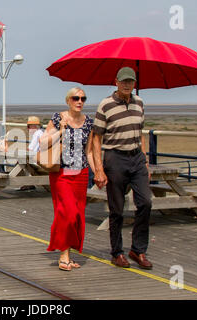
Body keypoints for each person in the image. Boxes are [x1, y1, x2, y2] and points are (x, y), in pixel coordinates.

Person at [91, 67, 153, 270]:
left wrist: (145, 160)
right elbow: (96, 137)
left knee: (145, 202)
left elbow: (140, 133)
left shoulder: (139, 103)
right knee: (117, 209)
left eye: (131, 81)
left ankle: (138, 249)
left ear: (135, 83)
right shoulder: (106, 105)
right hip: (115, 157)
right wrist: (99, 169)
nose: (127, 85)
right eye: (124, 81)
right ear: (116, 82)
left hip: (136, 157)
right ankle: (117, 252)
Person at [42, 87, 95, 271]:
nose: (79, 101)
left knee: (78, 216)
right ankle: (63, 255)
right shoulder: (58, 118)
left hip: (81, 173)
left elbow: (89, 151)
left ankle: (68, 254)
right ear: (68, 100)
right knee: (68, 212)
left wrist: (98, 173)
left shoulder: (89, 122)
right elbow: (43, 142)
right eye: (75, 98)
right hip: (62, 173)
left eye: (83, 98)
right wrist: (62, 131)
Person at [18, 116, 44, 191]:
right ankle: (29, 183)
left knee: (22, 162)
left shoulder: (37, 134)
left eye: (29, 126)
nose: (28, 128)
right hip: (42, 159)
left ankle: (29, 183)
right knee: (25, 162)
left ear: (34, 126)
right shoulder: (41, 132)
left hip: (38, 160)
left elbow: (30, 149)